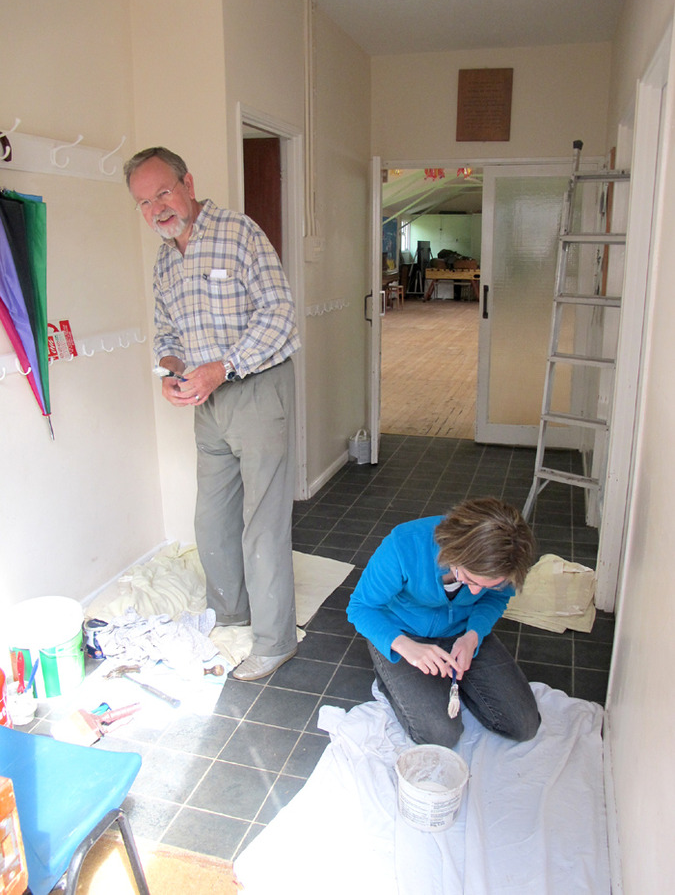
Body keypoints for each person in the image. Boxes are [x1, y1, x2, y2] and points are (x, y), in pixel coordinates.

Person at [124, 147, 301, 681]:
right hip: (207, 399)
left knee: (262, 522)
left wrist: (223, 367)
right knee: (212, 517)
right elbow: (169, 335)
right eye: (143, 202)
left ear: (188, 182)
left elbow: (281, 315)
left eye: (163, 192)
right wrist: (172, 372)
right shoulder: (164, 261)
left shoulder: (239, 233)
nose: (156, 208)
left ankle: (275, 642)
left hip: (256, 387)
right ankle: (230, 614)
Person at [347, 497, 540, 748]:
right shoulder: (404, 545)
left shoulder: (506, 561)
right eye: (470, 580)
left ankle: (456, 681)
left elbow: (495, 599)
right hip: (403, 633)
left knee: (524, 725)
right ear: (454, 554)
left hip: (461, 630)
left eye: (487, 585)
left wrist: (473, 635)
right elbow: (360, 607)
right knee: (441, 736)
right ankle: (390, 674)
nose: (474, 593)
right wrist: (405, 647)